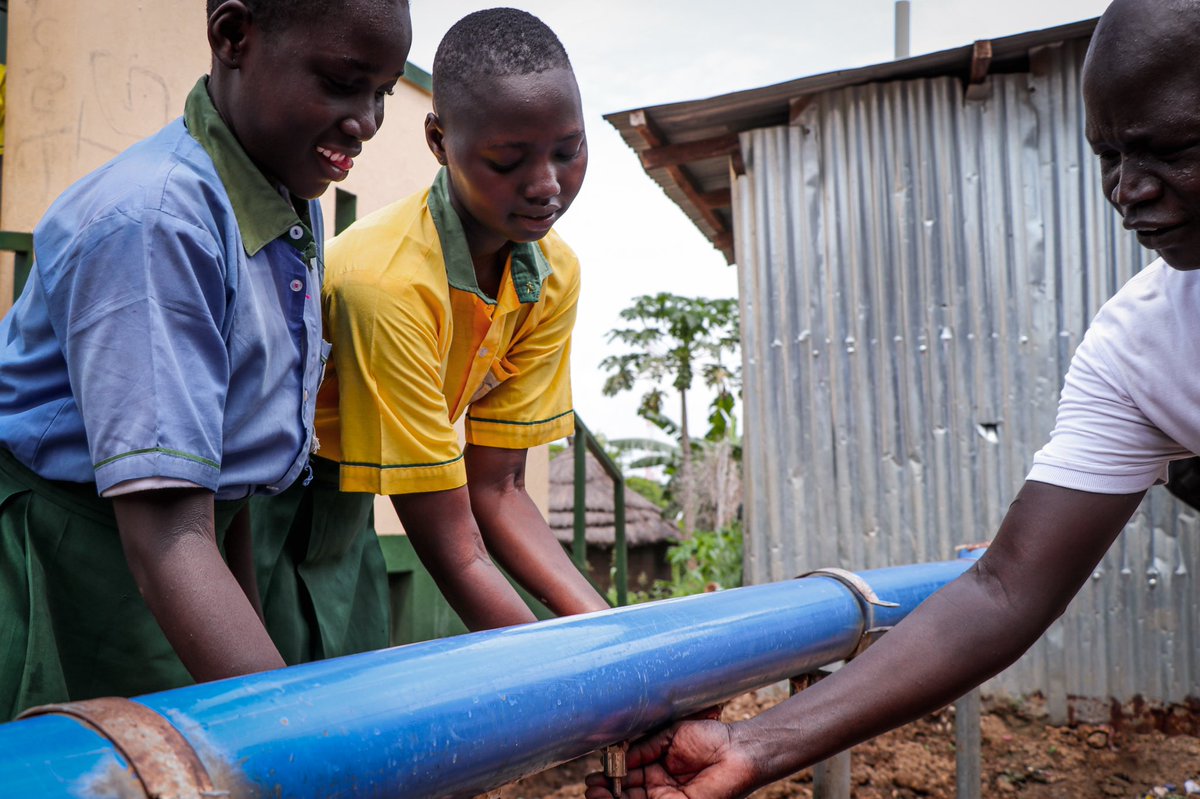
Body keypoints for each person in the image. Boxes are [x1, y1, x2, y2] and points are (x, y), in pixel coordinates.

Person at [583, 0, 1200, 796]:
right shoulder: (1143, 349)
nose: (1127, 189)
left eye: (1168, 150)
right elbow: (1004, 588)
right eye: (1108, 155)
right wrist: (755, 743)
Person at [0, 0, 412, 720]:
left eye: (381, 91)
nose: (369, 120)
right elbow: (166, 532)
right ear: (233, 37)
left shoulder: (289, 194)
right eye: (344, 81)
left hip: (181, 554)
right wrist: (287, 731)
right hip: (66, 560)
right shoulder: (158, 222)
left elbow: (229, 478)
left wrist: (253, 688)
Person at [252, 7, 609, 664]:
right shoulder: (386, 285)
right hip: (259, 515)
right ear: (440, 142)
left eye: (568, 151)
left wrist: (611, 633)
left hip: (348, 522)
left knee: (346, 713)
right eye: (508, 159)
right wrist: (587, 671)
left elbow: (499, 488)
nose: (546, 186)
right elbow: (454, 546)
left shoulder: (551, 272)